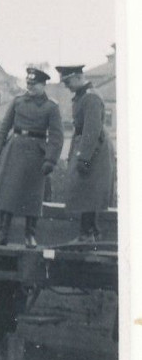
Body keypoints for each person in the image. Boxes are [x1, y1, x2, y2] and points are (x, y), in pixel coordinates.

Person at [0, 67, 64, 248]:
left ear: (43, 85)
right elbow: (4, 127)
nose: (31, 88)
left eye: (34, 85)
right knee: (7, 192)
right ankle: (2, 233)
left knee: (33, 195)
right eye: (29, 84)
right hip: (15, 149)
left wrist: (50, 160)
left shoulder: (51, 107)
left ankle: (30, 235)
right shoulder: (17, 102)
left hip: (37, 153)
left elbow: (57, 136)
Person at [56, 64, 115, 242]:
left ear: (77, 77)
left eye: (67, 82)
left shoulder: (91, 98)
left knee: (89, 189)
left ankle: (88, 233)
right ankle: (89, 232)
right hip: (86, 145)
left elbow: (92, 130)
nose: (66, 86)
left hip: (94, 148)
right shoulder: (82, 97)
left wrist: (84, 158)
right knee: (85, 189)